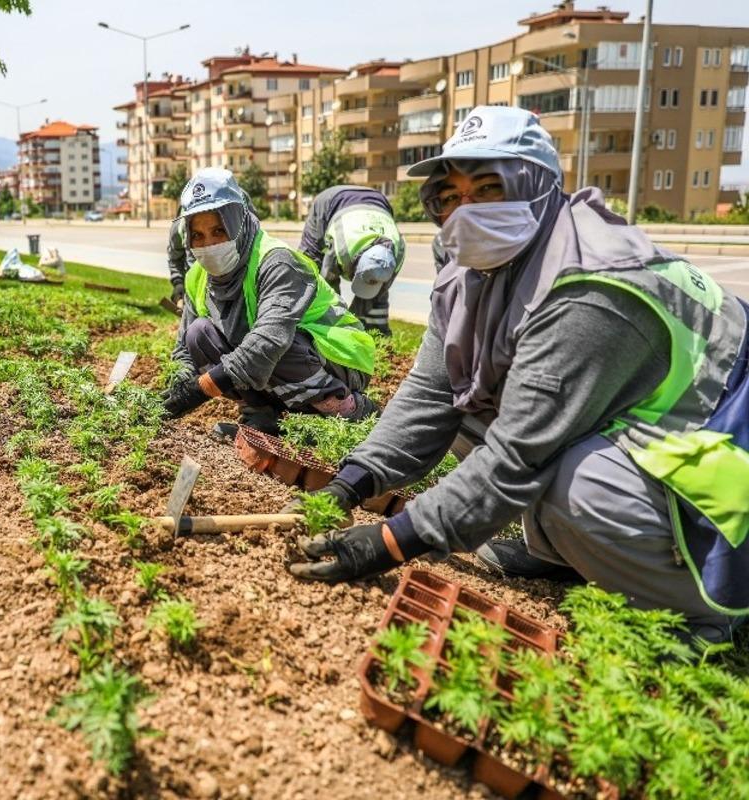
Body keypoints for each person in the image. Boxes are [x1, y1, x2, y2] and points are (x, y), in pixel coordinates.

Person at [287, 106, 749, 641]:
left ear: (538, 186)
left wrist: (390, 543)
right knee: (471, 407)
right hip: (645, 423)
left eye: (488, 189)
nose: (466, 210)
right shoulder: (471, 270)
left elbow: (519, 455)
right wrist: (352, 482)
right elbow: (432, 393)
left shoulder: (589, 285)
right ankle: (567, 555)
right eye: (452, 196)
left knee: (572, 483)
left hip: (726, 448)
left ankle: (707, 613)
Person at [162, 167, 378, 437]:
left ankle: (349, 409)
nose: (209, 244)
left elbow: (269, 341)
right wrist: (181, 385)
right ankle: (263, 416)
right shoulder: (198, 276)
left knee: (278, 348)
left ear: (238, 223)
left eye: (219, 230)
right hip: (283, 361)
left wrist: (201, 389)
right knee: (198, 334)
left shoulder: (276, 261)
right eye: (198, 235)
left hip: (339, 361)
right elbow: (184, 348)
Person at [299, 185, 406, 335]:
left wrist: (353, 324)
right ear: (355, 267)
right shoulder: (342, 249)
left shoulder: (397, 254)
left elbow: (379, 290)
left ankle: (379, 334)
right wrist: (336, 326)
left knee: (377, 295)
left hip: (378, 202)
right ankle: (304, 328)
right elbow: (329, 287)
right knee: (309, 269)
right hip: (329, 203)